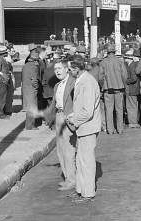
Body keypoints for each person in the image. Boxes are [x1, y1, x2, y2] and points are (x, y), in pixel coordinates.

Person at [66, 54, 101, 203]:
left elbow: (88, 111)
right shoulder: (81, 80)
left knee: (86, 161)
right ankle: (81, 190)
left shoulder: (87, 82)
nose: (68, 72)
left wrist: (74, 119)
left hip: (87, 127)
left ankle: (88, 193)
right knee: (80, 160)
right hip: (84, 127)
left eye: (69, 69)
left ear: (76, 69)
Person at [44, 59, 77, 192]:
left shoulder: (73, 83)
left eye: (59, 68)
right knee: (60, 150)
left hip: (69, 117)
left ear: (66, 69)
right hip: (59, 116)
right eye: (55, 69)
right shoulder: (57, 85)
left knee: (69, 150)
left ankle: (72, 180)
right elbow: (54, 103)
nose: (57, 71)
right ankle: (67, 177)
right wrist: (49, 117)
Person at [98, 44, 127, 135]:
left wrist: (104, 85)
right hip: (119, 88)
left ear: (107, 52)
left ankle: (110, 130)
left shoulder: (103, 62)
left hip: (107, 89)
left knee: (109, 110)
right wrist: (122, 83)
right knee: (119, 109)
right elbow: (124, 75)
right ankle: (120, 129)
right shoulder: (120, 61)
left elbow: (100, 77)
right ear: (114, 52)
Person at [22, 43, 40, 130]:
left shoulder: (26, 65)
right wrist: (37, 87)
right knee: (32, 107)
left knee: (29, 107)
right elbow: (34, 80)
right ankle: (30, 125)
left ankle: (29, 124)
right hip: (31, 90)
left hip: (26, 89)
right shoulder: (33, 67)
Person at [0, 45, 14, 119]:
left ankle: (4, 112)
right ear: (4, 53)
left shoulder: (2, 59)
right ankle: (1, 114)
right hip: (2, 82)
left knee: (4, 98)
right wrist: (2, 80)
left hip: (4, 81)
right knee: (1, 98)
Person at [125, 49, 141, 128]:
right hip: (135, 88)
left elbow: (133, 78)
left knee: (131, 105)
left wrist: (127, 81)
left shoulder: (131, 66)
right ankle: (134, 121)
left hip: (132, 88)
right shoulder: (136, 64)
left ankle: (133, 122)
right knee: (134, 105)